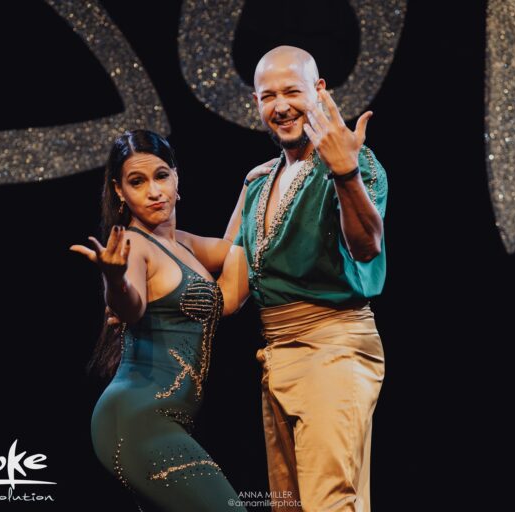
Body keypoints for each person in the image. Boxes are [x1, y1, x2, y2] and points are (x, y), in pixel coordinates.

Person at [219, 46, 388, 511]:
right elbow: (230, 291)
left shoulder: (355, 163)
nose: (281, 106)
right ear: (256, 102)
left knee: (329, 502)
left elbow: (367, 245)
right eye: (268, 96)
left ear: (319, 90)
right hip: (277, 356)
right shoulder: (260, 181)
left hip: (333, 348)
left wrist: (346, 173)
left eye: (292, 91)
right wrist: (150, 261)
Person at [71, 130, 267, 511]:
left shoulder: (184, 245)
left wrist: (249, 188)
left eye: (161, 176)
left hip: (164, 420)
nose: (153, 191)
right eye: (137, 182)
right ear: (119, 191)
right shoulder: (134, 246)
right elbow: (131, 307)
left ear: (177, 177)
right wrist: (114, 281)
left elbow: (233, 251)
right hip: (135, 421)